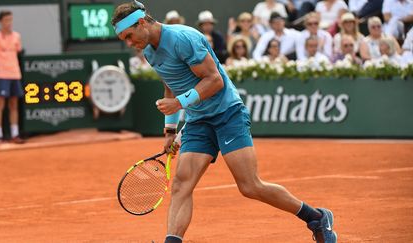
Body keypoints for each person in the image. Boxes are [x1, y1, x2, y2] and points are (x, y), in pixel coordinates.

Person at [112, 1, 337, 243]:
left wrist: (179, 104)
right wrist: (169, 130)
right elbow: (171, 84)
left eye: (129, 35)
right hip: (198, 121)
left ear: (142, 23)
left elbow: (215, 81)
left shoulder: (183, 38)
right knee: (181, 185)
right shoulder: (148, 51)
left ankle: (315, 217)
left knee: (250, 186)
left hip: (227, 113)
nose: (129, 43)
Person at [0, 10, 24, 144]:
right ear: (0, 22)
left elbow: (18, 53)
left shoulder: (17, 37)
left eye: (10, 20)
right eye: (6, 20)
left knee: (14, 104)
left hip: (15, 74)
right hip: (1, 74)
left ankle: (15, 134)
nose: (9, 23)